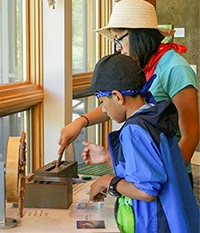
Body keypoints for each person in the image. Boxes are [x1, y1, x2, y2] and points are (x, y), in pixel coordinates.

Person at [58, 0, 199, 184]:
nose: (119, 49)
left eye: (119, 40)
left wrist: (168, 180)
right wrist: (81, 122)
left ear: (137, 35)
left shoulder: (175, 68)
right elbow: (119, 104)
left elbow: (191, 134)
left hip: (168, 176)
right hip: (147, 175)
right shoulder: (140, 64)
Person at [78, 53, 199, 233]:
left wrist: (108, 181)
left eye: (102, 102)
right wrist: (108, 157)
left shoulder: (134, 130)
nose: (103, 109)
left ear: (118, 97)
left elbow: (147, 191)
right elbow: (151, 169)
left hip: (159, 225)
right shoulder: (153, 116)